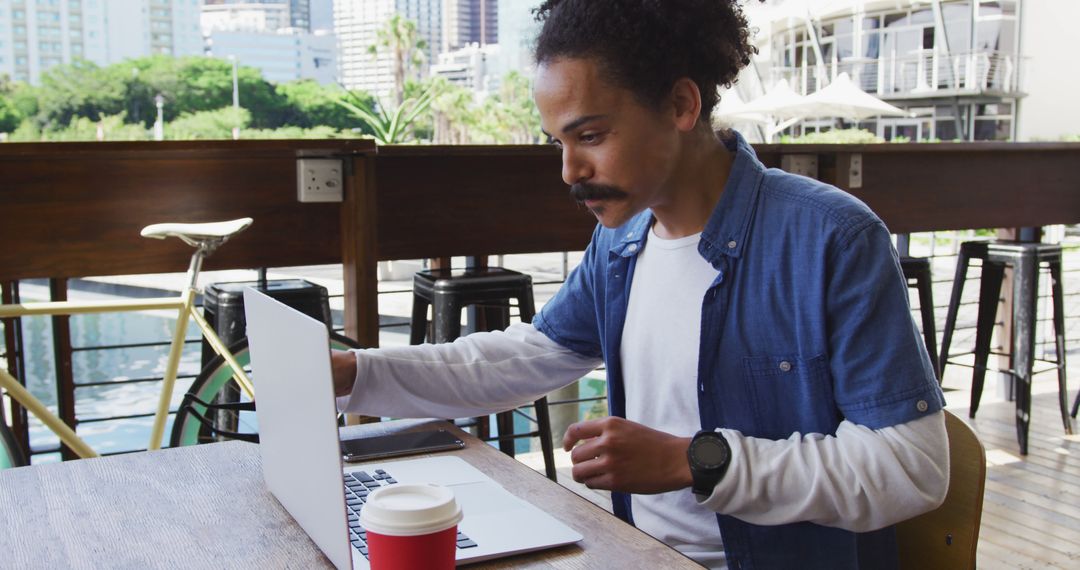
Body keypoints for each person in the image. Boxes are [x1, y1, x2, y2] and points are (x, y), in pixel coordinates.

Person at [331, 1, 948, 568]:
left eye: (591, 136)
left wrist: (694, 460)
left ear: (682, 105)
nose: (570, 171)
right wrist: (358, 375)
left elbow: (913, 468)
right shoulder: (623, 242)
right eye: (560, 143)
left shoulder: (830, 238)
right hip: (633, 551)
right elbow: (530, 356)